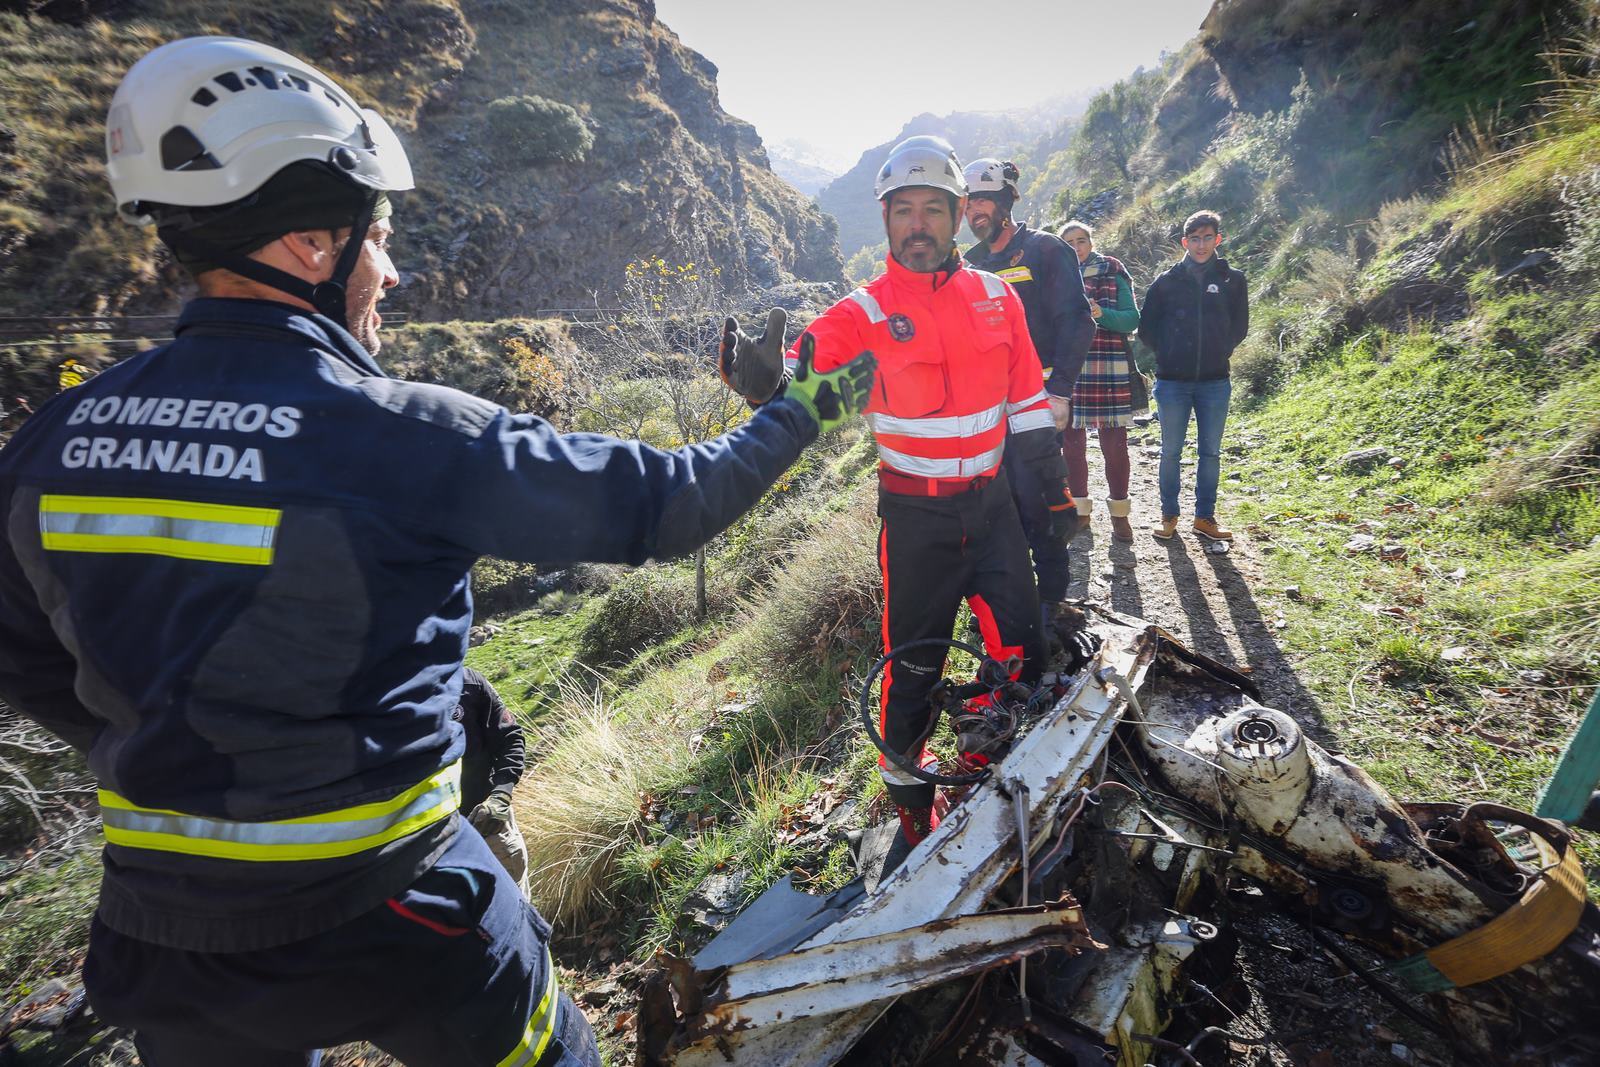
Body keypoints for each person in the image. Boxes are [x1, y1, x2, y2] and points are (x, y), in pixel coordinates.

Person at [0, 36, 876, 1067]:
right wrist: (798, 413)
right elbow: (671, 504)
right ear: (311, 247)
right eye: (378, 236)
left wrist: (173, 737)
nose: (395, 269)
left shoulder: (54, 443)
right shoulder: (407, 433)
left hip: (172, 942)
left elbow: (27, 660)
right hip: (396, 907)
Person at [723, 137, 1075, 847]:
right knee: (911, 673)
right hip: (917, 523)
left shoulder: (997, 297)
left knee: (1021, 650)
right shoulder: (866, 313)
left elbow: (1028, 405)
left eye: (934, 210)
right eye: (904, 210)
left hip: (995, 506)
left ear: (957, 216)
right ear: (886, 221)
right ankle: (916, 815)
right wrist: (772, 387)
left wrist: (1054, 496)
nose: (919, 224)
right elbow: (812, 382)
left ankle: (979, 761)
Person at [961, 158, 1094, 614]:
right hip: (985, 410)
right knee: (998, 508)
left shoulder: (1045, 250)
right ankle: (1008, 603)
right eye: (968, 204)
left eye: (981, 201)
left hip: (1036, 405)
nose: (973, 212)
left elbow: (1076, 321)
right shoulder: (970, 264)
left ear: (1004, 201)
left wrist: (1059, 391)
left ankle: (1053, 601)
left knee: (1040, 503)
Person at [1138, 209, 1249, 541]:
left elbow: (1240, 326)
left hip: (1215, 381)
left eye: (1208, 238)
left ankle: (1205, 518)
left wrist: (1220, 350)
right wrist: (1170, 354)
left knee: (1210, 452)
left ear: (1218, 239)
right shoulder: (1166, 281)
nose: (1201, 245)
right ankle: (1168, 516)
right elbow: (1147, 329)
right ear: (1185, 242)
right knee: (1171, 451)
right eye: (1195, 239)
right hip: (1172, 382)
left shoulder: (1234, 279)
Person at [1058, 220, 1140, 542]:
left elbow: (1131, 319)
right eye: (1069, 242)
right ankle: (1081, 513)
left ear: (1091, 242)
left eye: (1081, 240)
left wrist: (1100, 314)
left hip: (1108, 366)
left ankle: (1120, 515)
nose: (1076, 247)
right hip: (1069, 368)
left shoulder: (1112, 269)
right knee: (1072, 447)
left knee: (1115, 447)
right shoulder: (1056, 276)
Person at [457, 666, 530, 895]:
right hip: (427, 848)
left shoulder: (469, 683)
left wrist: (500, 795)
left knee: (516, 912)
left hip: (489, 828)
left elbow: (511, 738)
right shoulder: (383, 699)